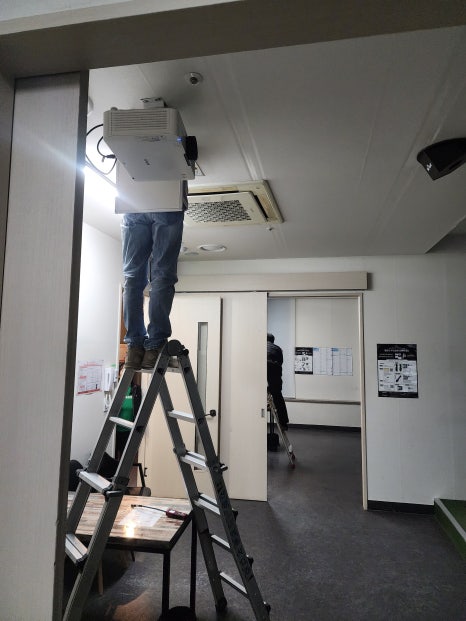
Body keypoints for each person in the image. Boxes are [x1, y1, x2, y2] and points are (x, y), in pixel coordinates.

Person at [121, 181, 187, 370]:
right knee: (162, 276)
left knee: (132, 278)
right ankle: (154, 346)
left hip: (133, 198)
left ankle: (134, 349)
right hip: (166, 195)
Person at [267, 333, 289, 429]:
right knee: (278, 396)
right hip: (275, 369)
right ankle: (284, 423)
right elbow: (280, 362)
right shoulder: (278, 348)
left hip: (264, 367)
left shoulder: (260, 346)